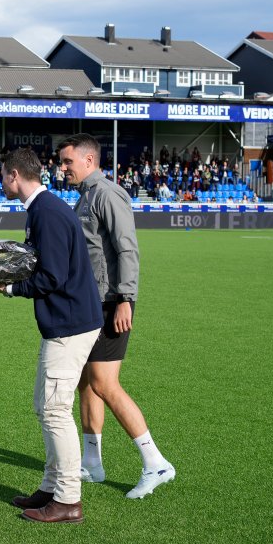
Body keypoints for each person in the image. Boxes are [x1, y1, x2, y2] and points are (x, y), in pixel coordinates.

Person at [58, 133, 176, 499]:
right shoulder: (86, 196)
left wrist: (126, 297)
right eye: (62, 163)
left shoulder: (107, 194)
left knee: (106, 384)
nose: (62, 169)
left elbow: (127, 248)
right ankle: (92, 463)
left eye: (67, 162)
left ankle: (155, 463)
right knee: (86, 383)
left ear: (89, 161)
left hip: (112, 302)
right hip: (94, 303)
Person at [0, 147, 103, 524]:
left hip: (70, 324)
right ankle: (52, 487)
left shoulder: (47, 211)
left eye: (3, 175)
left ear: (15, 176)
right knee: (45, 406)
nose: (0, 181)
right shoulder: (45, 208)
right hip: (65, 322)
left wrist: (7, 289)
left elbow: (52, 276)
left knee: (55, 410)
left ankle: (68, 499)